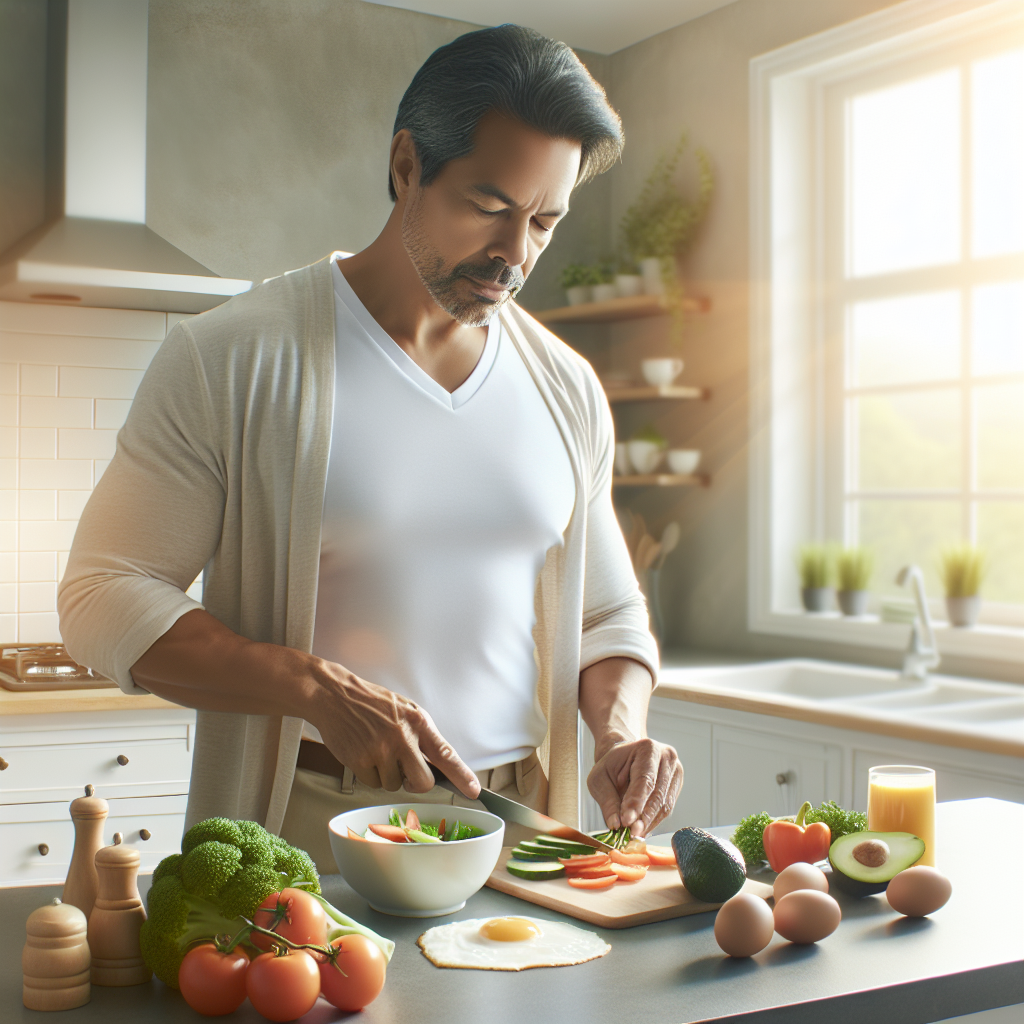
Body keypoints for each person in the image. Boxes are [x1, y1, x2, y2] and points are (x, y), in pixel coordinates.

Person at [58, 24, 682, 871]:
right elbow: (100, 596)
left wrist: (619, 734)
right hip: (312, 817)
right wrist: (311, 689)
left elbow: (607, 615)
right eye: (489, 207)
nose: (513, 254)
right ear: (405, 166)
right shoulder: (233, 358)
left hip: (517, 821)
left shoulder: (566, 387)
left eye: (544, 220)